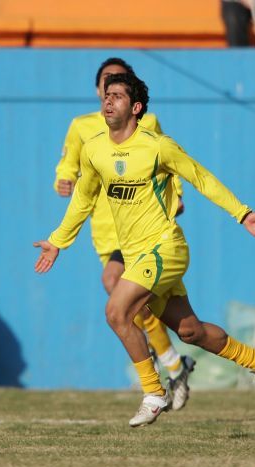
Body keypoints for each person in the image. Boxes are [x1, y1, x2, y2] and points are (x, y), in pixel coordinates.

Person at [35, 73, 255, 426]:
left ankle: (154, 392)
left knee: (116, 312)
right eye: (106, 95)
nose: (108, 100)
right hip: (136, 256)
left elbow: (201, 177)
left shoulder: (157, 146)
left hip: (166, 248)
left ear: (136, 108)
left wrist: (242, 214)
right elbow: (83, 199)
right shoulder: (94, 149)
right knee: (190, 332)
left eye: (117, 96)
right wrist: (58, 240)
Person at [54, 58, 195, 411]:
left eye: (120, 82)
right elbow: (69, 164)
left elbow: (168, 161)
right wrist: (63, 178)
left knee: (114, 284)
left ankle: (162, 371)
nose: (111, 89)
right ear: (97, 89)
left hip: (145, 228)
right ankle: (174, 364)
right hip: (107, 230)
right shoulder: (82, 127)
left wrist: (177, 195)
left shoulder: (147, 124)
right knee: (142, 306)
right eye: (107, 82)